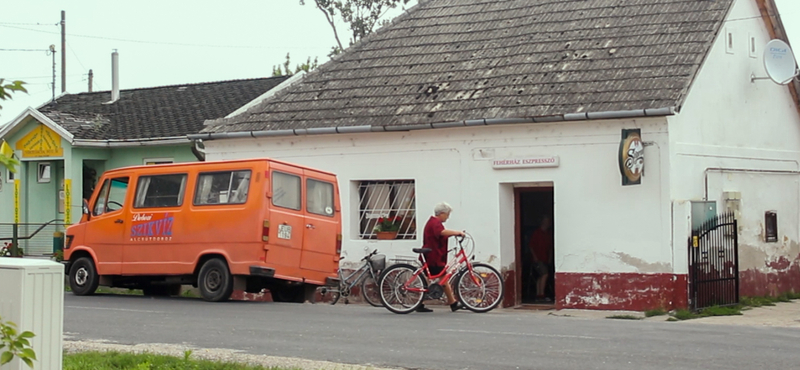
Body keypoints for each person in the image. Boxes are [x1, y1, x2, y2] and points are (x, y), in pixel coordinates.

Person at [417, 202, 465, 313]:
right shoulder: (435, 222)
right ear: (442, 213)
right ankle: (452, 303)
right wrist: (457, 232)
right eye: (447, 215)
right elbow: (441, 232)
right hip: (433, 255)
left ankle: (452, 303)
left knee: (441, 278)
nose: (448, 218)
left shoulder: (433, 221)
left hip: (433, 254)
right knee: (442, 277)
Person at [528, 216, 553, 303]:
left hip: (545, 258)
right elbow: (531, 245)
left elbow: (549, 247)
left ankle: (538, 295)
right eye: (545, 221)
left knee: (541, 276)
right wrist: (534, 257)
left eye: (548, 221)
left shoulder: (548, 234)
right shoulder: (537, 233)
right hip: (537, 258)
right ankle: (541, 295)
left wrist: (549, 258)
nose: (547, 223)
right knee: (545, 274)